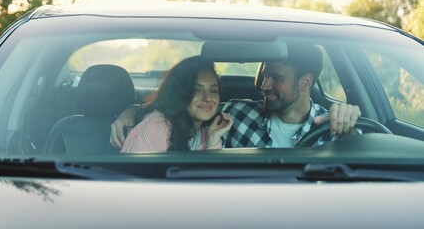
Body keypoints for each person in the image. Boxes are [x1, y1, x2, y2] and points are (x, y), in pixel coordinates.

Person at [110, 43, 361, 150]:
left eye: (276, 78)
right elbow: (175, 109)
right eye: (264, 75)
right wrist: (130, 112)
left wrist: (351, 133)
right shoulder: (233, 112)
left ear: (305, 82)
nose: (264, 85)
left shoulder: (335, 125)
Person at [121, 56, 233, 152]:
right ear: (179, 93)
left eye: (213, 91)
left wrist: (213, 139)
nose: (208, 98)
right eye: (196, 90)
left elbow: (212, 176)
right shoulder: (157, 126)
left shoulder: (207, 130)